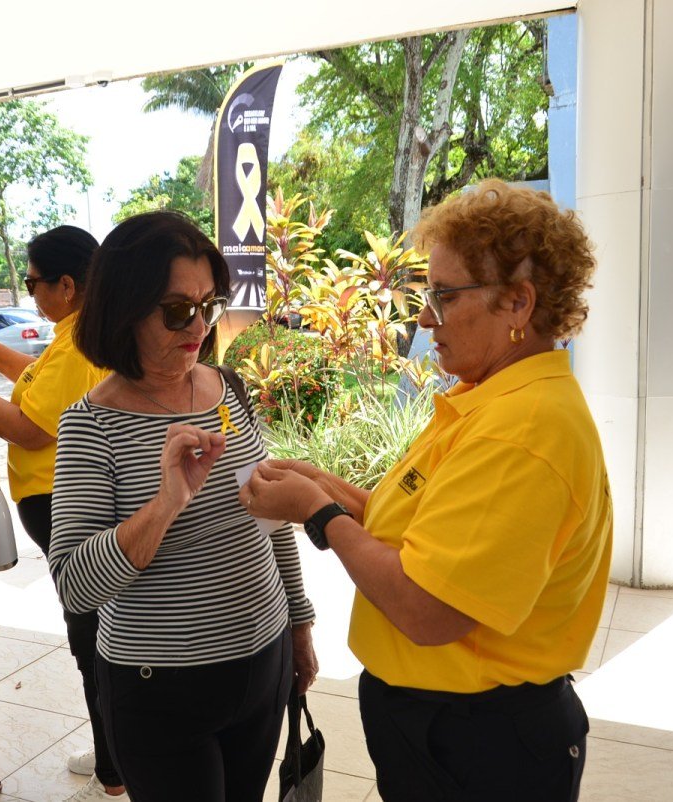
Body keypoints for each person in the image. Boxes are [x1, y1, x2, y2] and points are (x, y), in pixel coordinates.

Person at [241, 180, 613, 801]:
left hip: (479, 741)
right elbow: (421, 530)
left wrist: (318, 513)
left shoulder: (522, 432)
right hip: (450, 725)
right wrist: (326, 484)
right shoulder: (491, 399)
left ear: (518, 303)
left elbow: (426, 609)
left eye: (444, 296)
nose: (423, 317)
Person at [48, 210, 318, 802]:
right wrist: (167, 501)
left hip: (263, 660)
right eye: (176, 310)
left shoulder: (226, 386)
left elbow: (268, 516)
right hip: (160, 687)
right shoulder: (91, 426)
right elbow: (75, 585)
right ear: (125, 308)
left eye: (208, 305)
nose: (197, 325)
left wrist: (299, 623)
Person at [0, 226, 121, 801]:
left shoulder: (80, 344)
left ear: (66, 285)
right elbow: (39, 385)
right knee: (93, 628)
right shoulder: (78, 335)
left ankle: (115, 767)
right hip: (65, 499)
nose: (31, 291)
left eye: (33, 282)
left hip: (64, 502)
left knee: (89, 632)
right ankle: (113, 744)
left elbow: (28, 426)